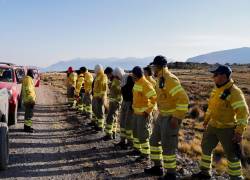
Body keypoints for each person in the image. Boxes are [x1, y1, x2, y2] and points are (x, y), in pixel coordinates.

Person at [192, 65, 249, 180]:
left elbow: (243, 113)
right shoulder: (216, 89)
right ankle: (205, 172)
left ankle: (236, 177)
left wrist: (239, 132)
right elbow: (211, 107)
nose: (213, 77)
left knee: (232, 154)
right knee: (206, 147)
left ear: (223, 76)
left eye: (215, 75)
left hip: (227, 128)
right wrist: (206, 120)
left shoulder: (235, 92)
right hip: (213, 125)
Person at [144, 55, 189, 180]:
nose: (153, 69)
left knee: (168, 146)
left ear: (160, 67)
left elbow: (183, 99)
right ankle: (157, 167)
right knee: (153, 141)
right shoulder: (160, 79)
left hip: (170, 118)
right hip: (162, 116)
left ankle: (171, 174)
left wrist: (176, 117)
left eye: (154, 66)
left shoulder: (170, 80)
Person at [131, 66, 157, 161]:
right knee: (136, 132)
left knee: (143, 135)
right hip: (136, 113)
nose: (132, 76)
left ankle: (145, 154)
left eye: (133, 75)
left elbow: (154, 99)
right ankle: (137, 149)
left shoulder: (146, 84)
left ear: (136, 75)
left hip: (143, 114)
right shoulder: (137, 83)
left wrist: (148, 111)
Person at [115, 72, 134, 149]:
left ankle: (130, 143)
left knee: (128, 123)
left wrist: (132, 105)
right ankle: (122, 140)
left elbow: (133, 94)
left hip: (129, 103)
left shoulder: (128, 79)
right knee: (122, 122)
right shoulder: (123, 79)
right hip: (125, 102)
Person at [103, 67, 124, 141]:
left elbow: (120, 91)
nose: (107, 76)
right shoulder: (113, 81)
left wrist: (117, 101)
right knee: (113, 118)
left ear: (110, 73)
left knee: (110, 118)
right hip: (113, 102)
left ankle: (109, 134)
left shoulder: (116, 81)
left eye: (107, 74)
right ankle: (113, 133)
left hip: (115, 102)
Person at [92, 64, 108, 131]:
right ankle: (98, 124)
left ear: (98, 69)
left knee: (100, 112)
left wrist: (101, 97)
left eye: (95, 69)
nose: (94, 70)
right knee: (97, 111)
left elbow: (103, 88)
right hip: (96, 97)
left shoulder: (103, 76)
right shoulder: (97, 76)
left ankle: (101, 126)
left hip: (100, 98)